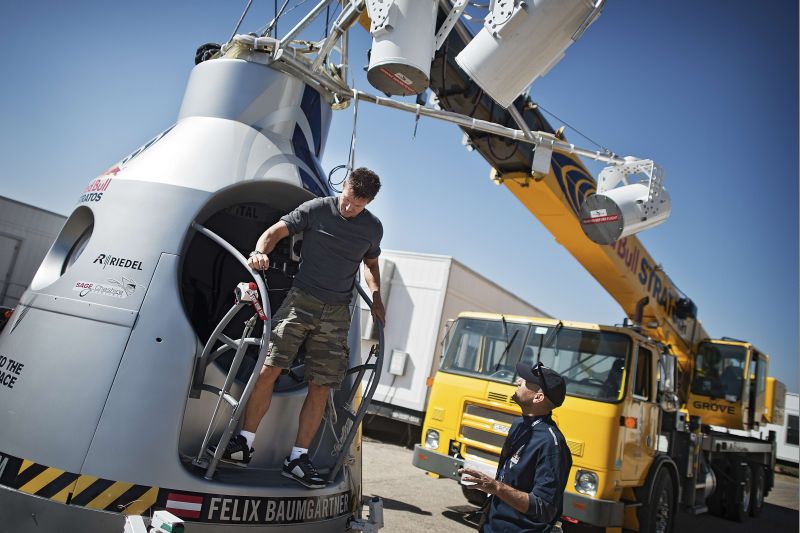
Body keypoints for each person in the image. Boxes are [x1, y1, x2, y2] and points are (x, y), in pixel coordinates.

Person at [212, 167, 385, 488]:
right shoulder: (317, 209)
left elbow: (371, 267)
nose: (349, 209)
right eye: (347, 200)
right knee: (269, 368)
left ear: (369, 202)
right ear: (343, 187)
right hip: (300, 301)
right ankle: (244, 443)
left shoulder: (373, 229)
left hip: (336, 314)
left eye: (357, 206)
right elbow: (274, 232)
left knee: (322, 385)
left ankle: (297, 459)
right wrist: (259, 252)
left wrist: (376, 298)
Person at [459, 362, 572, 532]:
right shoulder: (520, 424)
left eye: (526, 381)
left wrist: (496, 487)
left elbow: (544, 508)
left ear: (538, 397)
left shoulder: (552, 445)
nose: (518, 381)